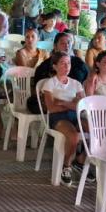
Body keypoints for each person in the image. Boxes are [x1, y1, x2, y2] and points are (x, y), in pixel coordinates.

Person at [41, 52, 86, 185]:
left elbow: (83, 106)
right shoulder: (50, 84)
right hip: (58, 117)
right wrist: (73, 104)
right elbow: (52, 108)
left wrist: (63, 102)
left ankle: (81, 160)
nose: (67, 66)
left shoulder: (76, 84)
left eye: (69, 63)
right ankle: (67, 165)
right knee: (73, 136)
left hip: (76, 115)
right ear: (55, 66)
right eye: (63, 63)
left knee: (96, 129)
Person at [29, 32, 89, 113]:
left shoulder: (79, 63)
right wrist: (68, 103)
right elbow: (42, 92)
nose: (67, 46)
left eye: (68, 42)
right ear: (55, 46)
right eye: (62, 43)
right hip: (57, 105)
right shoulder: (45, 66)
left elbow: (86, 82)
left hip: (77, 104)